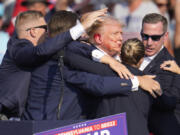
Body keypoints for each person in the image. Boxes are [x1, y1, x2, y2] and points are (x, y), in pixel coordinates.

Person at [0, 8, 108, 119]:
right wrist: (80, 27)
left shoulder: (36, 50)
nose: (47, 32)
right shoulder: (18, 48)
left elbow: (60, 47)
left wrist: (104, 57)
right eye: (45, 28)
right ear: (33, 31)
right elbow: (42, 51)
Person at [63, 16, 162, 135]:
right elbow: (99, 84)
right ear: (98, 38)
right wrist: (137, 81)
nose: (120, 38)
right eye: (115, 34)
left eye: (121, 34)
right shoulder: (85, 60)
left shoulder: (123, 62)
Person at [139, 13, 180, 135]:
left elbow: (166, 102)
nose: (149, 42)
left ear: (165, 36)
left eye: (155, 38)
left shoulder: (169, 66)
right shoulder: (133, 55)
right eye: (145, 36)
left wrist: (136, 82)